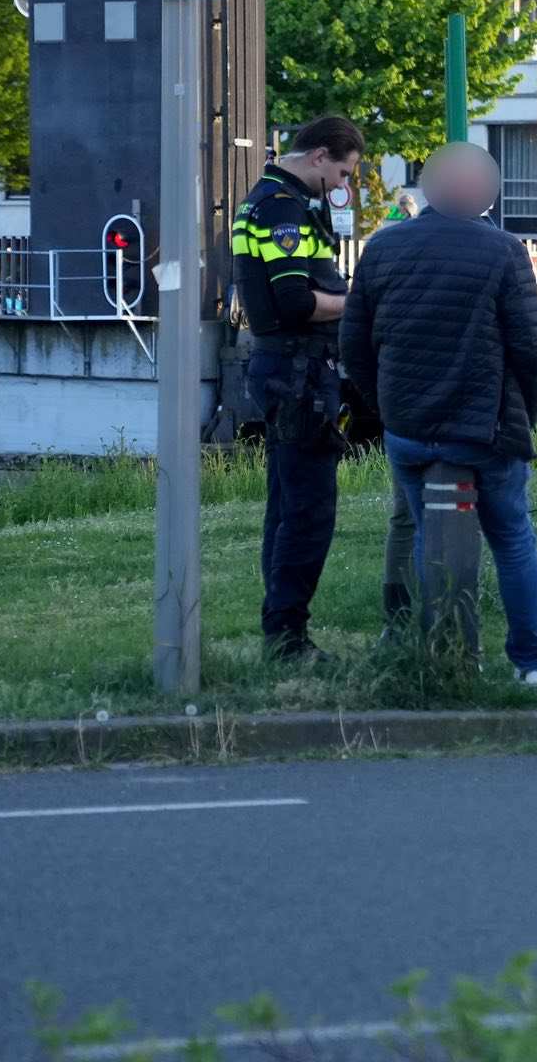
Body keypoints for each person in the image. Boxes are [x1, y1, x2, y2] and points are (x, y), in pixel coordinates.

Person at [340, 141, 537, 686]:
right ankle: (533, 662)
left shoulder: (383, 247)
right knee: (511, 538)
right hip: (485, 429)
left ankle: (443, 651)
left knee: (426, 534)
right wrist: (525, 413)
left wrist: (385, 407)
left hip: (409, 429)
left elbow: (354, 343)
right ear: (486, 194)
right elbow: (532, 346)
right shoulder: (504, 251)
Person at [233, 115, 365, 663]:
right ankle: (288, 637)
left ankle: (281, 630)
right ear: (318, 156)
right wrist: (359, 302)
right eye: (342, 173)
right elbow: (295, 302)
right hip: (298, 373)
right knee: (308, 510)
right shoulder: (282, 209)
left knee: (287, 505)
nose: (342, 185)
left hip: (286, 369)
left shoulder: (265, 200)